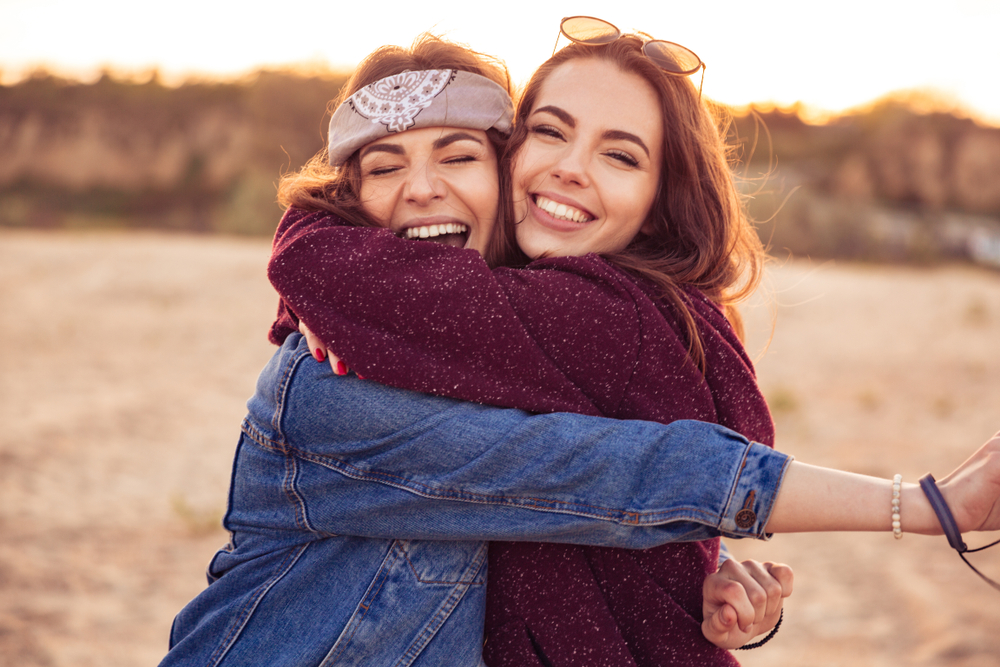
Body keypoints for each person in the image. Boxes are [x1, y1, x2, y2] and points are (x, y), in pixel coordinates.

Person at [271, 22, 1000, 667]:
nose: (570, 168)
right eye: (551, 132)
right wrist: (729, 591)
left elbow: (315, 261)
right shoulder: (514, 299)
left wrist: (926, 504)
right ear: (511, 151)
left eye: (620, 156)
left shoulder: (607, 319)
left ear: (660, 197)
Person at [161, 34, 796, 667]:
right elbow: (603, 478)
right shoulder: (330, 378)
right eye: (383, 167)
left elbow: (611, 492)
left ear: (500, 167)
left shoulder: (581, 323)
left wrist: (715, 583)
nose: (421, 189)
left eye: (459, 157)